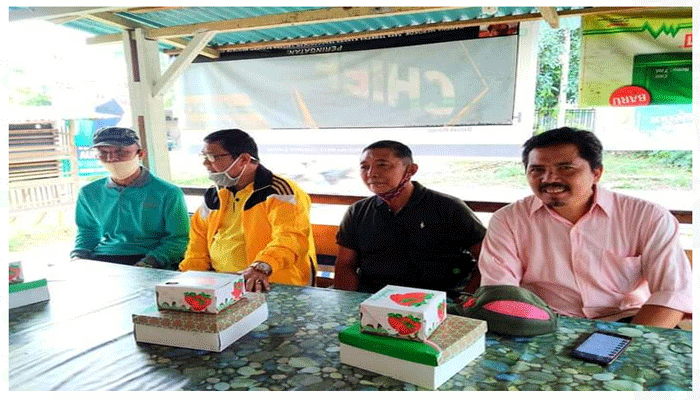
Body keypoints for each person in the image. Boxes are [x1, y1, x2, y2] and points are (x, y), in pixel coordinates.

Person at [478, 127, 691, 328]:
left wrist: (628, 342)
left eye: (566, 168)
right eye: (537, 170)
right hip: (545, 323)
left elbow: (672, 294)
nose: (549, 178)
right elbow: (501, 293)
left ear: (596, 173)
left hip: (628, 321)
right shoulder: (507, 220)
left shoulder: (647, 216)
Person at [334, 140, 486, 297]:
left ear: (411, 170)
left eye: (382, 165)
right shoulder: (357, 212)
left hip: (440, 300)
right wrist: (349, 303)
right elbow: (345, 265)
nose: (371, 173)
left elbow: (488, 260)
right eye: (364, 167)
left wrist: (466, 300)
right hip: (373, 298)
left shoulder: (448, 208)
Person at [179, 129, 316, 292]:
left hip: (271, 283)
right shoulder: (215, 194)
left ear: (244, 159)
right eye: (204, 157)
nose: (206, 164)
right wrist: (189, 279)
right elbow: (197, 245)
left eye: (212, 157)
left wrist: (262, 266)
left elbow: (291, 238)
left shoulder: (280, 192)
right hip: (222, 285)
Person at [71, 127, 189, 269]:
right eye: (103, 153)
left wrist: (150, 262)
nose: (111, 159)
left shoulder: (167, 192)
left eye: (121, 152)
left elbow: (179, 239)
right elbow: (87, 232)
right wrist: (79, 256)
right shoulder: (89, 192)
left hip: (150, 258)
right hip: (104, 257)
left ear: (141, 154)